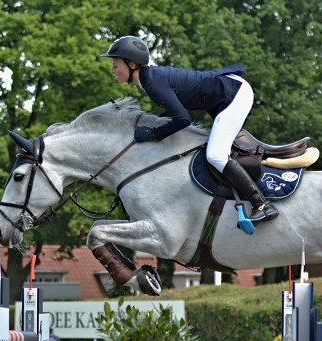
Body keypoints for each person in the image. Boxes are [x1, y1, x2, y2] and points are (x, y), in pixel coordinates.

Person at [101, 36, 278, 225]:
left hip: (233, 93)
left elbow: (183, 120)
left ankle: (262, 204)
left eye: (115, 65)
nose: (113, 70)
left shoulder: (153, 82)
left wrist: (153, 134)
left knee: (216, 155)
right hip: (226, 92)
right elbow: (173, 112)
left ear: (132, 65)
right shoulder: (150, 79)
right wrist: (151, 127)